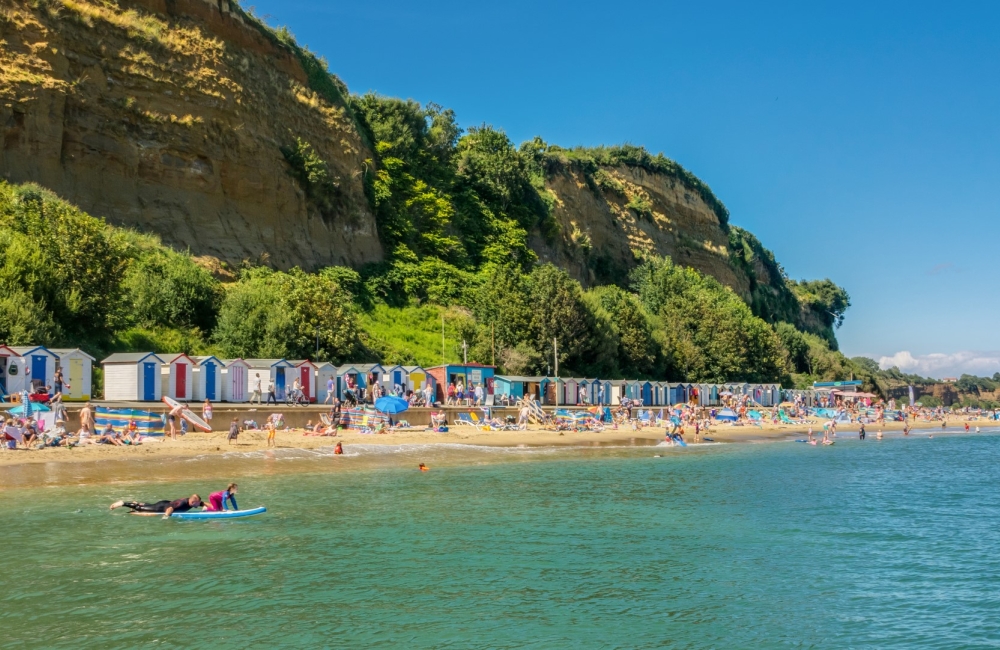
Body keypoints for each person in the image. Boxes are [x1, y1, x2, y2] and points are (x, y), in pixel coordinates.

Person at [110, 495, 202, 518]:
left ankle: (136, 503)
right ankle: (123, 503)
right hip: (162, 507)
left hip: (165, 503)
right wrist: (166, 517)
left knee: (150, 506)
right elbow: (170, 509)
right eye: (198, 503)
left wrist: (212, 508)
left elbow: (203, 503)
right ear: (193, 502)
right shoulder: (183, 503)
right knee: (141, 509)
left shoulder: (191, 502)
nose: (199, 505)